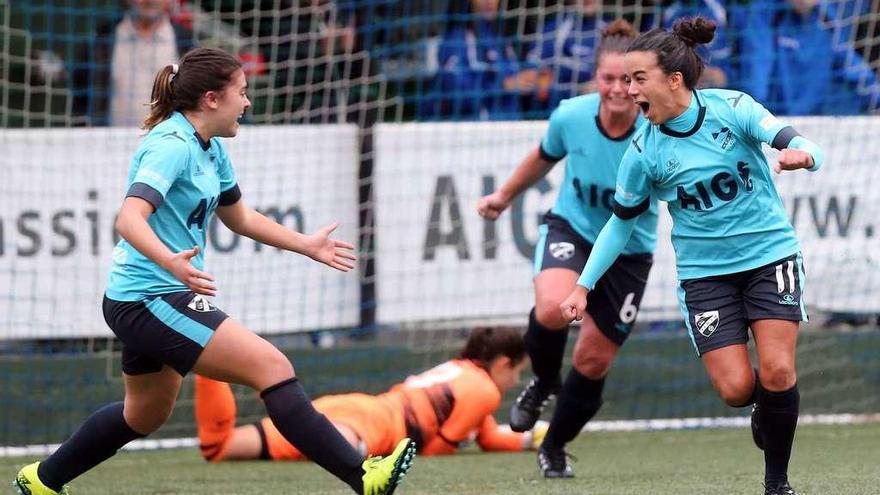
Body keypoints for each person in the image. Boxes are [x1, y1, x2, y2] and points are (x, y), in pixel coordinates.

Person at [14, 47, 414, 495]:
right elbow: (128, 219)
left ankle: (41, 481)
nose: (247, 102)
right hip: (149, 298)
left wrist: (306, 245)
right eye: (241, 93)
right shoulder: (171, 146)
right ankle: (365, 477)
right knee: (272, 366)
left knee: (143, 415)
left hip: (150, 296)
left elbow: (239, 217)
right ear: (210, 98)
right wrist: (168, 260)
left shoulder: (212, 147)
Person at [559, 17, 824, 495]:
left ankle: (776, 483)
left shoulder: (732, 108)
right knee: (737, 390)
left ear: (673, 80)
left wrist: (802, 155)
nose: (629, 90)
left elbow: (795, 140)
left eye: (638, 79)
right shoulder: (643, 149)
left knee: (779, 369)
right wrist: (583, 284)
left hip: (770, 258)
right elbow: (620, 222)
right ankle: (768, 406)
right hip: (706, 277)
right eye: (624, 79)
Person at [477, 20, 657, 479]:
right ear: (595, 77)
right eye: (609, 79)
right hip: (572, 230)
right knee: (555, 307)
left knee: (593, 360)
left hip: (629, 252)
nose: (618, 89)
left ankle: (553, 445)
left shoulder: (657, 130)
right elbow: (543, 155)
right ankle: (543, 379)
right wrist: (504, 196)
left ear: (642, 82)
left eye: (629, 80)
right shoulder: (571, 116)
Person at [194, 327, 548, 462]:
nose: (515, 381)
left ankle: (202, 358)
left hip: (356, 407)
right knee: (345, 459)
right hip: (375, 429)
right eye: (517, 371)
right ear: (503, 363)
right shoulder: (484, 389)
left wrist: (535, 437)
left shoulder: (459, 371)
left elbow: (485, 435)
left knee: (218, 446)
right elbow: (437, 448)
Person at [733, 0, 880, 115]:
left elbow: (854, 69)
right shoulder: (765, 16)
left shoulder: (827, 20)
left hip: (815, 122)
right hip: (773, 121)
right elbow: (757, 76)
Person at [71, 0, 197, 126]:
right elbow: (81, 104)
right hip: (110, 142)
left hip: (170, 143)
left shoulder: (187, 44)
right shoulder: (100, 42)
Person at [419, 0, 542, 120]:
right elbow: (455, 94)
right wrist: (503, 86)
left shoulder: (503, 41)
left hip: (510, 130)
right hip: (474, 133)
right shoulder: (456, 40)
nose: (489, 1)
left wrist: (534, 82)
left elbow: (516, 89)